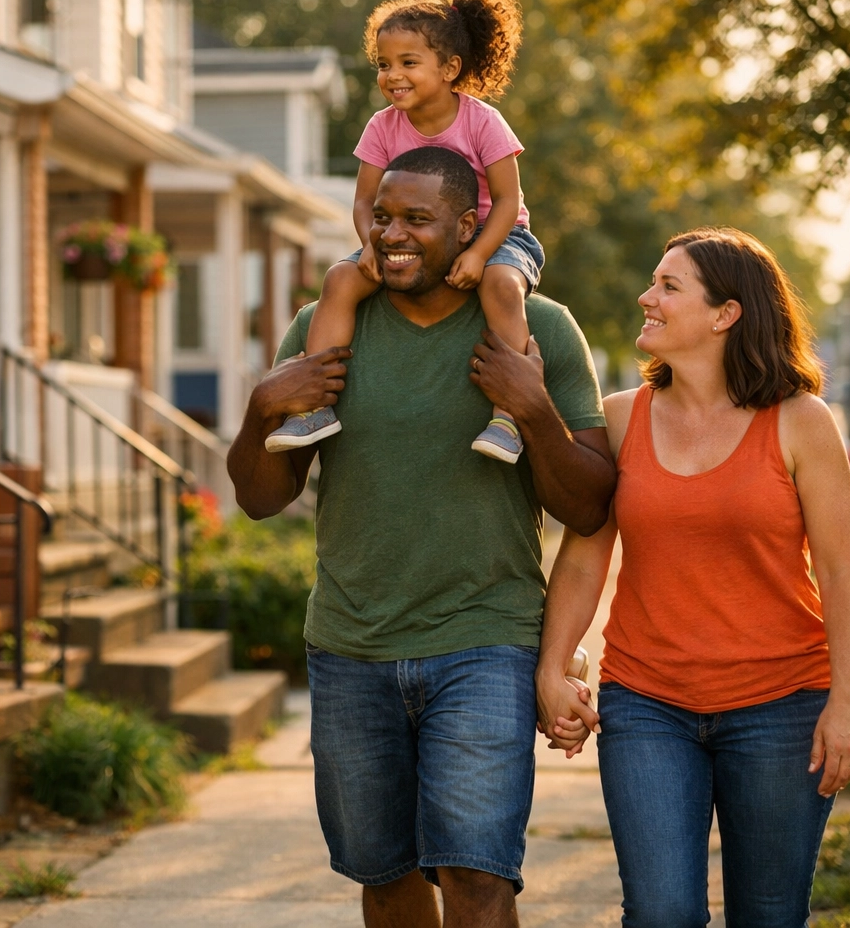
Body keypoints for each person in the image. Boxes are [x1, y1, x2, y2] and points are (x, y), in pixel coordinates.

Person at [229, 146, 617, 928]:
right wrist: (261, 408)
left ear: (471, 227)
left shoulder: (537, 327)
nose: (391, 235)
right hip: (350, 646)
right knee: (385, 873)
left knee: (477, 876)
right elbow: (264, 499)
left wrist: (534, 409)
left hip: (485, 640)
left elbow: (590, 504)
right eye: (380, 218)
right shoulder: (324, 327)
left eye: (416, 219)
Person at [537, 228, 850, 927]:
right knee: (661, 914)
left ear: (726, 314)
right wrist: (551, 669)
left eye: (668, 286)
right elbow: (584, 554)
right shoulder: (622, 419)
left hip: (781, 706)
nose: (645, 297)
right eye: (653, 282)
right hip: (647, 704)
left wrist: (845, 704)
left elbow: (841, 574)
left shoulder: (800, 422)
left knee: (770, 915)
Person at [265, 0, 543, 465]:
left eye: (408, 62)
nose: (392, 75)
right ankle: (314, 408)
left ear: (449, 69)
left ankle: (509, 415)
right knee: (339, 280)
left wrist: (479, 253)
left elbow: (506, 201)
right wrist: (370, 246)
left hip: (495, 233)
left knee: (501, 285)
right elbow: (363, 200)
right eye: (383, 63)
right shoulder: (382, 126)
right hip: (404, 234)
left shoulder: (482, 121)